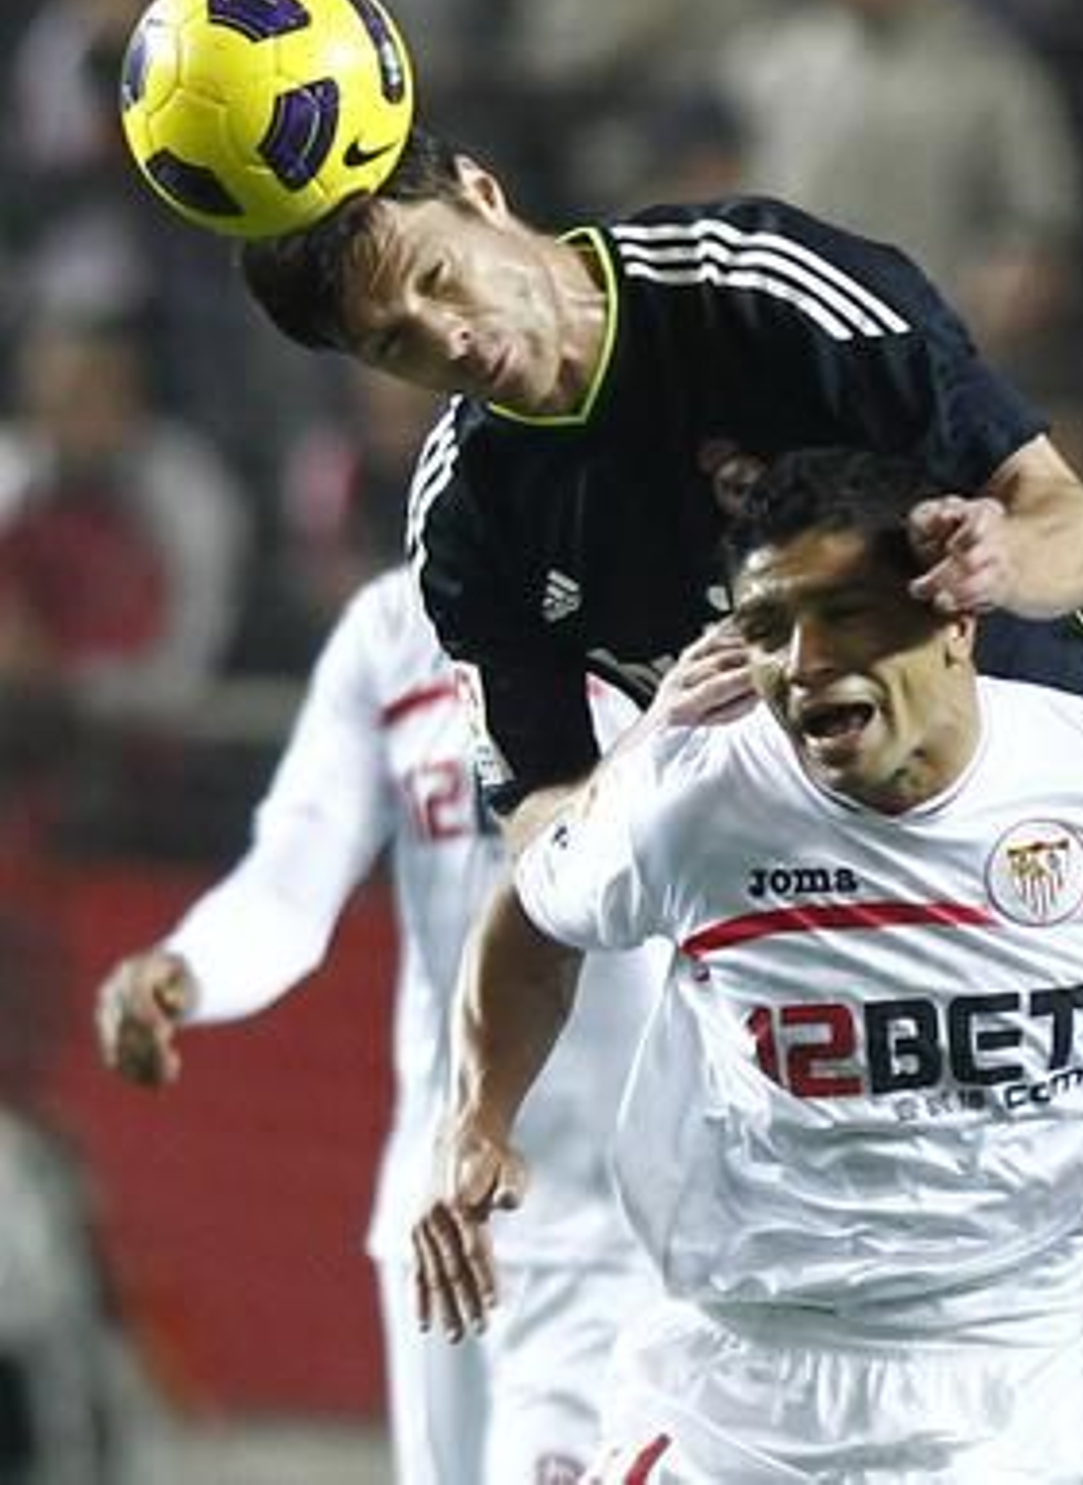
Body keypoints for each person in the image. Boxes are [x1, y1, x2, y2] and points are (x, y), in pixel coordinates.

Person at [236, 121, 1083, 1478]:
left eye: (441, 281)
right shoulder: (472, 518)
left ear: (485, 196)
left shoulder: (763, 290)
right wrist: (649, 759)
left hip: (1071, 892)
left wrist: (1000, 558)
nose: (448, 338)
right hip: (833, 969)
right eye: (395, 342)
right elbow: (543, 834)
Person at [411, 447, 1083, 1483]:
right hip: (744, 1387)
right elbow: (536, 917)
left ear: (954, 620)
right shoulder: (695, 800)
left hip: (1014, 1378)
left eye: (845, 615)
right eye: (766, 627)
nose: (804, 664)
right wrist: (478, 1116)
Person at [93, 565, 662, 1485]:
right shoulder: (392, 628)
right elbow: (294, 873)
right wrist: (187, 971)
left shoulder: (676, 590)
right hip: (435, 1215)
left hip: (623, 1218)